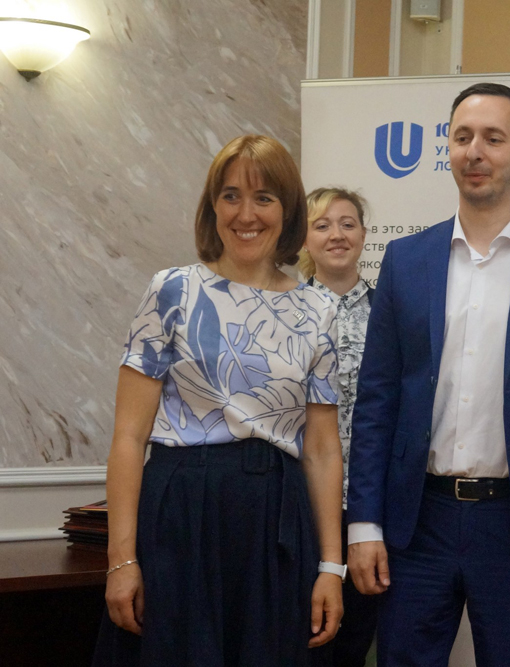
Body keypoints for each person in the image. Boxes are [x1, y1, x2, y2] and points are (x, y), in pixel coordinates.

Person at [346, 82, 510, 667]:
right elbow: (376, 403)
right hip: (416, 522)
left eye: (494, 138)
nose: (475, 151)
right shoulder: (405, 262)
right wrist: (363, 523)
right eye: (462, 137)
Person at [95, 135, 345, 666]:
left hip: (275, 520)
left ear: (287, 210)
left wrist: (331, 566)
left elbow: (323, 451)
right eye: (231, 196)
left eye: (264, 198)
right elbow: (128, 437)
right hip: (181, 512)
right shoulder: (172, 291)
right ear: (213, 207)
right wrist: (121, 559)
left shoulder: (319, 310)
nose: (245, 214)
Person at [299, 187, 379, 666]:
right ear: (304, 238)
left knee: (356, 640)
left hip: (369, 505)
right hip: (303, 504)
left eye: (348, 224)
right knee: (304, 636)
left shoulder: (389, 311)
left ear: (364, 235)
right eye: (322, 225)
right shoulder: (284, 311)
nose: (337, 235)